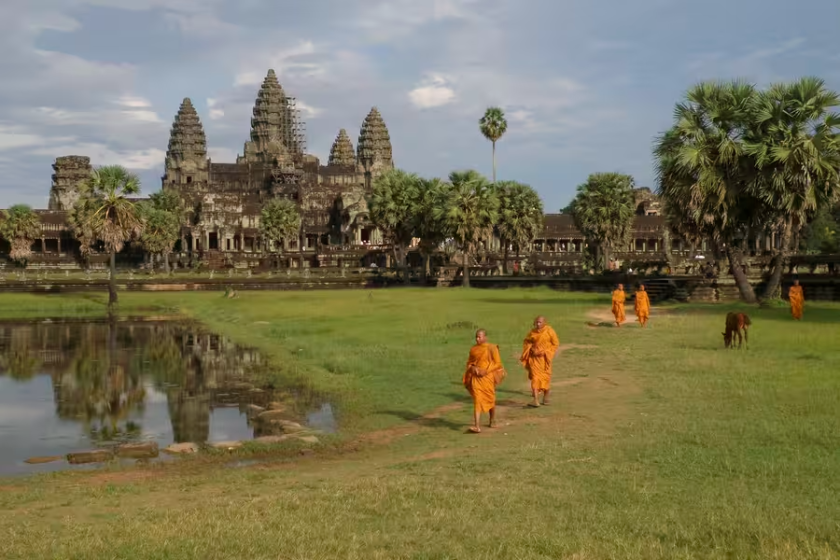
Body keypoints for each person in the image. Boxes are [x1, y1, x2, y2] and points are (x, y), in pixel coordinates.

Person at [463, 329, 505, 433]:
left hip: (487, 377)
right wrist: (473, 368)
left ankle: (492, 419)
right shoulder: (474, 349)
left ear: (485, 337)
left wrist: (485, 371)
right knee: (477, 399)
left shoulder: (492, 348)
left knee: (490, 399)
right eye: (476, 337)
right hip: (476, 378)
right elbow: (469, 363)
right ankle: (477, 426)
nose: (477, 339)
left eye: (479, 337)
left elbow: (498, 364)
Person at [520, 316, 560, 407]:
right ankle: (535, 400)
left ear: (545, 323)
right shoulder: (532, 332)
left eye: (540, 322)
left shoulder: (549, 331)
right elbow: (527, 342)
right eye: (537, 322)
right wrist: (531, 349)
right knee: (535, 378)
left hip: (545, 359)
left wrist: (544, 352)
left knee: (546, 378)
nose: (538, 324)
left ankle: (546, 397)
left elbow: (555, 344)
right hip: (534, 360)